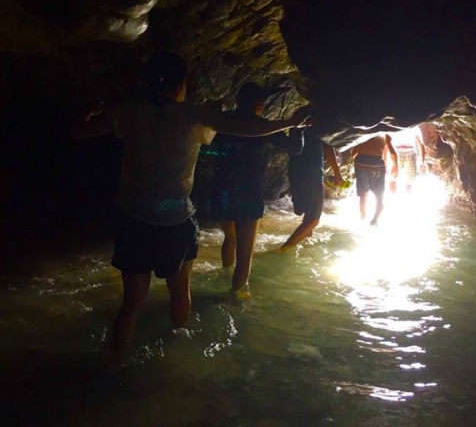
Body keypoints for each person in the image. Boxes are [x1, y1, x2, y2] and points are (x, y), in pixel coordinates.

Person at [72, 51, 308, 368]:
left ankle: (114, 363)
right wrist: (290, 122)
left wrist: (87, 112)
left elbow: (78, 132)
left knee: (132, 304)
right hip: (175, 221)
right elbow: (247, 127)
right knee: (180, 293)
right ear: (181, 84)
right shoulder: (192, 115)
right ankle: (176, 360)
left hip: (135, 220)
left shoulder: (129, 112)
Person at [209, 83, 304, 294]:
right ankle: (235, 297)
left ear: (238, 100)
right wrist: (298, 126)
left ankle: (225, 275)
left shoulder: (223, 122)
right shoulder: (262, 127)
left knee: (229, 238)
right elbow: (295, 148)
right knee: (245, 255)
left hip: (221, 188)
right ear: (260, 104)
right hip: (247, 192)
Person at [280, 129, 345, 252]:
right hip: (312, 175)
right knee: (313, 219)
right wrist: (337, 172)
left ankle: (306, 242)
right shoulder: (319, 126)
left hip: (295, 173)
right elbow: (328, 148)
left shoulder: (297, 126)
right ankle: (282, 250)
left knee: (305, 212)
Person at [351, 134, 397, 225]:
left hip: (361, 163)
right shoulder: (384, 134)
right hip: (377, 164)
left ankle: (362, 218)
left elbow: (353, 153)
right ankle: (374, 220)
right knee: (379, 197)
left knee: (363, 194)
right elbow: (393, 153)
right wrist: (396, 166)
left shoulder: (362, 132)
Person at [388, 126, 426, 194]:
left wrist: (422, 162)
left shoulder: (414, 127)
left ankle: (406, 195)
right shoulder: (395, 124)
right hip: (398, 151)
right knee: (393, 177)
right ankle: (393, 195)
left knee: (410, 180)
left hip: (409, 151)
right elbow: (387, 142)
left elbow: (420, 144)